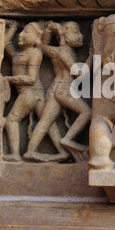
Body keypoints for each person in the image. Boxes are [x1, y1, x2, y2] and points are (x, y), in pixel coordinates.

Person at [24, 21, 91, 162]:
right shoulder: (64, 52)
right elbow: (79, 74)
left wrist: (48, 32)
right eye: (75, 32)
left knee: (45, 121)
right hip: (64, 89)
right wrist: (91, 57)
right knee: (86, 112)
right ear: (65, 36)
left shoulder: (56, 51)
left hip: (54, 89)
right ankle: (67, 139)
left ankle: (30, 151)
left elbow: (41, 47)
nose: (80, 37)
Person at [3, 21, 65, 162]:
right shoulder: (17, 55)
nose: (21, 35)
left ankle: (14, 154)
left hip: (29, 92)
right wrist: (12, 28)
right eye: (22, 31)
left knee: (11, 120)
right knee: (47, 121)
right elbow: (4, 44)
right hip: (36, 94)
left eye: (26, 32)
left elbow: (31, 79)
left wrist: (8, 79)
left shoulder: (35, 53)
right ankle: (63, 151)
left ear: (37, 38)